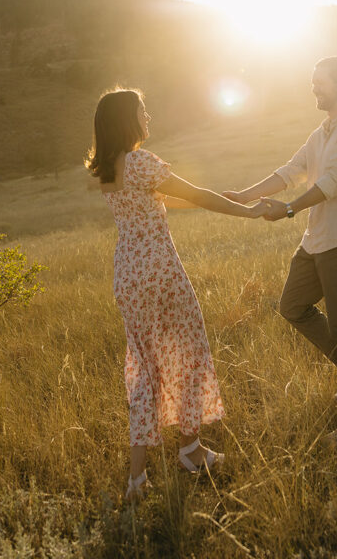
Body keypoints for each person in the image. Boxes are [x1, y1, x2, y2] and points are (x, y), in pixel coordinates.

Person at [86, 87, 268, 499]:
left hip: (129, 276)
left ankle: (138, 478)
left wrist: (227, 197)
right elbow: (196, 194)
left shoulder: (111, 169)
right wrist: (249, 211)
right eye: (141, 110)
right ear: (126, 120)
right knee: (188, 351)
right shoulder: (141, 162)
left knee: (145, 367)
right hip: (160, 273)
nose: (148, 116)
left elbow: (165, 201)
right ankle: (189, 448)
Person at [224, 56, 337, 443]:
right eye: (313, 82)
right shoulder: (322, 132)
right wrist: (245, 195)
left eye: (320, 82)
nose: (314, 88)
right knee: (293, 305)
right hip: (317, 240)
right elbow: (292, 170)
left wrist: (290, 208)